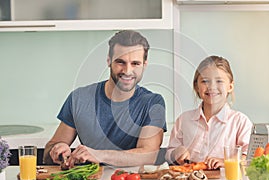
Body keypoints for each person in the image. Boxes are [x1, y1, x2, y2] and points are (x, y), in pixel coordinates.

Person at [43, 30, 167, 167]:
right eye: (121, 62)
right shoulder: (79, 99)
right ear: (109, 61)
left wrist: (99, 155)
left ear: (144, 64)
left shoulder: (152, 103)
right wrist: (59, 150)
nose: (127, 71)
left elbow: (149, 155)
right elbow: (49, 151)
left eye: (135, 64)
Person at [165, 55, 252, 169]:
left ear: (230, 86)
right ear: (197, 87)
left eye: (219, 81)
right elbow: (169, 155)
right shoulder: (184, 120)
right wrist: (176, 152)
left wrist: (227, 161)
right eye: (205, 81)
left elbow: (250, 157)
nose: (211, 86)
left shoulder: (240, 122)